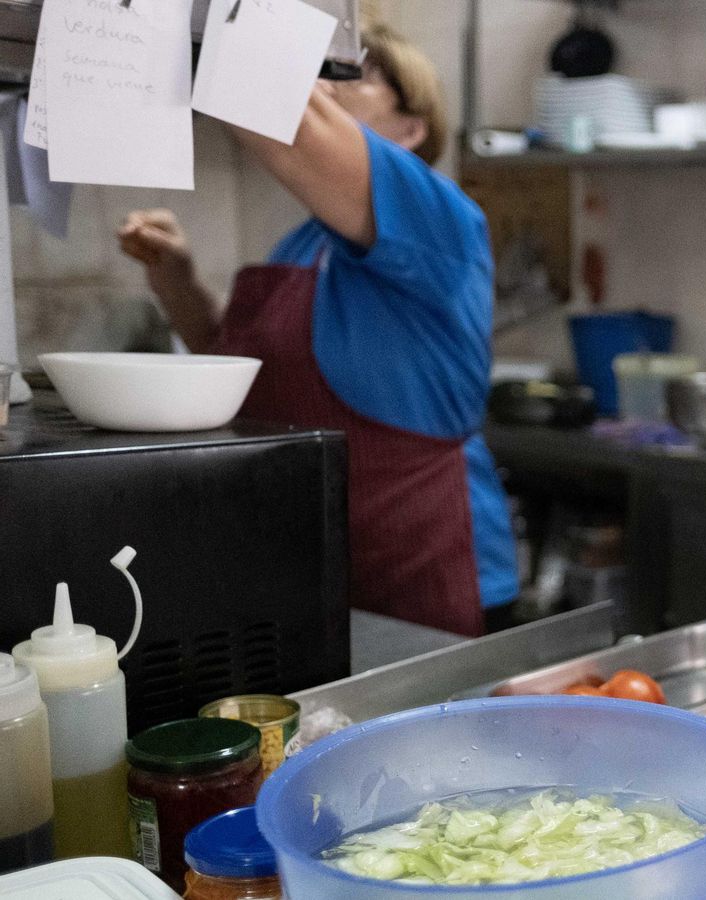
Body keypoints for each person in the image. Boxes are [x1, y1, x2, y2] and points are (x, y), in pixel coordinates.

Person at [117, 25, 516, 637]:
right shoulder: (306, 240)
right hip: (308, 557)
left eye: (355, 73)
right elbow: (245, 372)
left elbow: (293, 120)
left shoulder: (440, 217)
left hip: (421, 561)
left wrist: (215, 22)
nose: (324, 81)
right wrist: (178, 280)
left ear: (413, 128)